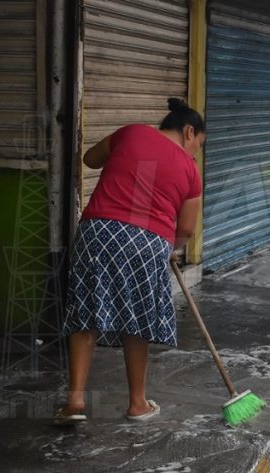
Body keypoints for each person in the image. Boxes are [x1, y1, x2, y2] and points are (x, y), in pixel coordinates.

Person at [56, 98, 205, 425]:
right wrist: (170, 248)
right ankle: (137, 404)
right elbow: (188, 229)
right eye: (198, 145)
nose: (195, 153)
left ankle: (75, 401)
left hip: (98, 231)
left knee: (86, 311)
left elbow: (90, 159)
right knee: (136, 321)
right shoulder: (190, 171)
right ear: (189, 131)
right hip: (149, 241)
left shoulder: (132, 133)